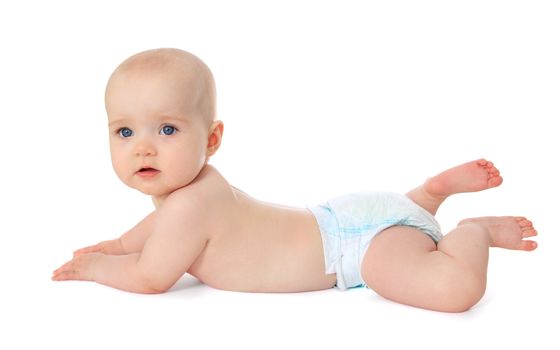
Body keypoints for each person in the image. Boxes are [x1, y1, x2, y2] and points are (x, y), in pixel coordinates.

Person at [52, 48, 538, 313]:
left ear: (212, 138)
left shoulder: (188, 207)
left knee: (453, 293)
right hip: (348, 219)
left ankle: (472, 232)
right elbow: (155, 232)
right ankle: (425, 197)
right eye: (124, 131)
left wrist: (99, 268)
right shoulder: (198, 191)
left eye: (167, 129)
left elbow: (152, 277)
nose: (143, 146)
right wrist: (118, 242)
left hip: (358, 250)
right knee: (408, 241)